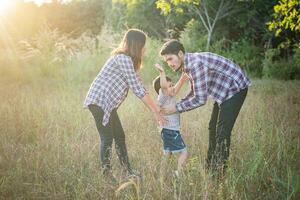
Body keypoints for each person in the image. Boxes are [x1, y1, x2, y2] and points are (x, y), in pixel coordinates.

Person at [159, 39, 251, 177]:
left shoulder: (195, 65)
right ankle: (210, 167)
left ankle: (219, 174)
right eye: (167, 61)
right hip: (222, 91)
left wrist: (176, 108)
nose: (170, 64)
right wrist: (179, 104)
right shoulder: (188, 66)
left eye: (171, 59)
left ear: (180, 54)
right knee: (212, 127)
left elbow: (200, 99)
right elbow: (195, 91)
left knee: (222, 131)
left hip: (235, 89)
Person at [83, 29, 165, 181]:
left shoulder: (128, 61)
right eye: (143, 45)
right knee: (107, 138)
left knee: (119, 136)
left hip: (106, 104)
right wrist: (155, 111)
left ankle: (128, 170)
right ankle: (106, 175)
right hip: (99, 101)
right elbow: (137, 89)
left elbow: (139, 84)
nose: (144, 49)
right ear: (137, 44)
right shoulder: (123, 59)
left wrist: (156, 107)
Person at [153, 63, 189, 178]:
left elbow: (175, 89)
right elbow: (164, 87)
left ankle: (161, 176)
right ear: (162, 89)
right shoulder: (163, 95)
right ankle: (178, 175)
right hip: (171, 131)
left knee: (167, 154)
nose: (172, 87)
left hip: (167, 131)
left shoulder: (169, 95)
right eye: (170, 86)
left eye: (172, 85)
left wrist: (182, 79)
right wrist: (162, 73)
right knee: (184, 152)